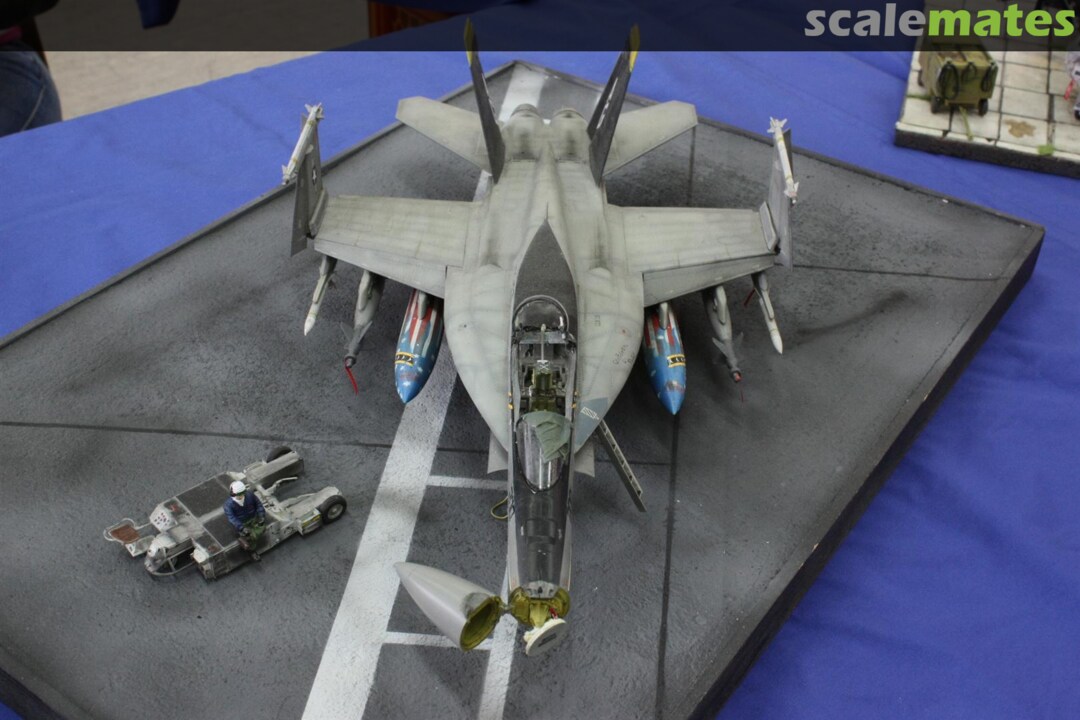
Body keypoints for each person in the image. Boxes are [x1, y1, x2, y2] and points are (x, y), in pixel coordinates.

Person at [223, 479, 266, 559]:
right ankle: (251, 550)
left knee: (262, 527)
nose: (242, 495)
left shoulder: (250, 495)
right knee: (249, 537)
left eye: (243, 493)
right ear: (233, 494)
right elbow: (232, 518)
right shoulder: (228, 505)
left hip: (253, 519)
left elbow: (258, 505)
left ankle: (251, 536)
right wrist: (242, 528)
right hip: (242, 523)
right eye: (239, 494)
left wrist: (261, 516)